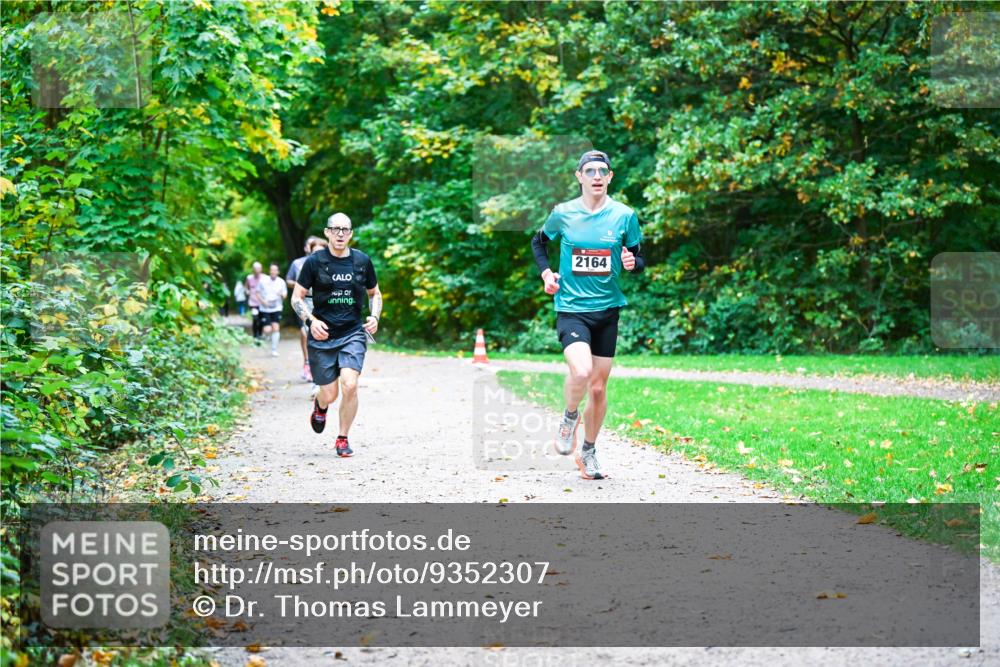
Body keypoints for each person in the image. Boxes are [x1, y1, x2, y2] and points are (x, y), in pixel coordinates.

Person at [530, 149, 644, 480]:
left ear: (609, 178)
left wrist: (632, 263)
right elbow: (539, 243)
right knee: (581, 372)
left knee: (597, 388)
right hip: (572, 309)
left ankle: (589, 451)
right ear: (579, 176)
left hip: (607, 311)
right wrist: (547, 274)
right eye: (590, 170)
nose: (596, 176)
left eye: (602, 171)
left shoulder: (624, 215)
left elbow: (638, 258)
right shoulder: (563, 213)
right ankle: (569, 418)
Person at [291, 213, 381, 458]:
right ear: (327, 232)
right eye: (335, 229)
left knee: (350, 385)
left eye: (345, 229)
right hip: (322, 336)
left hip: (352, 333)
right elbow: (296, 298)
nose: (340, 234)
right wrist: (311, 320)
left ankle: (342, 438)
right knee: (329, 394)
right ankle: (320, 406)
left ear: (351, 233)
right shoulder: (315, 262)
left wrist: (374, 316)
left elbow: (375, 293)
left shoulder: (362, 261)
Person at [286, 236, 324, 382]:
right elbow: (288, 280)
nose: (311, 248)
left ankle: (319, 368)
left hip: (322, 303)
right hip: (303, 302)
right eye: (309, 245)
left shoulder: (329, 264)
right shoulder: (298, 263)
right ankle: (309, 364)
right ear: (306, 248)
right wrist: (301, 284)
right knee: (307, 332)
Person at [256, 263, 288, 357]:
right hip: (265, 309)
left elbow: (285, 295)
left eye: (275, 270)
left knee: (276, 327)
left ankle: (274, 349)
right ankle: (266, 336)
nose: (273, 271)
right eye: (272, 270)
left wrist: (281, 295)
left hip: (277, 308)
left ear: (278, 271)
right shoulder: (263, 281)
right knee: (267, 329)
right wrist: (262, 302)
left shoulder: (281, 282)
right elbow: (257, 293)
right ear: (269, 271)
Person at [245, 262, 264, 340]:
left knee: (261, 319)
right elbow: (246, 287)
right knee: (255, 318)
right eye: (255, 268)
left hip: (262, 302)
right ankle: (255, 335)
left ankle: (260, 334)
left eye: (259, 268)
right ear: (253, 269)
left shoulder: (265, 278)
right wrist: (247, 291)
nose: (257, 270)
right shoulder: (249, 278)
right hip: (253, 302)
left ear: (261, 269)